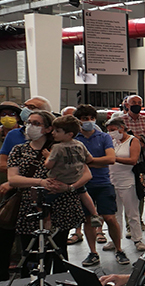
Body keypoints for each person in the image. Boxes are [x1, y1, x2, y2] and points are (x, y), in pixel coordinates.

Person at [7, 110, 89, 264]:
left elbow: (86, 174)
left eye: (36, 123)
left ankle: (59, 283)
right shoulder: (19, 150)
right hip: (30, 207)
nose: (30, 126)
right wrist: (40, 182)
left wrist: (69, 187)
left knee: (60, 253)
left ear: (49, 128)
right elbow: (13, 179)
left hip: (62, 205)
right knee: (31, 254)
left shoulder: (64, 147)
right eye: (28, 122)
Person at [74, 105, 128, 267]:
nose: (88, 122)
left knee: (110, 218)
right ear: (78, 121)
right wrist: (97, 161)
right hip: (83, 185)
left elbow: (110, 159)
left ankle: (119, 249)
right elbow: (74, 163)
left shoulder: (103, 137)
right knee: (88, 219)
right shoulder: (74, 139)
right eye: (85, 119)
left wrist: (88, 161)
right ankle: (92, 253)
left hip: (104, 183)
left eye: (91, 118)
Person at [104, 116, 145, 254]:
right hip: (112, 180)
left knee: (132, 213)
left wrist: (113, 158)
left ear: (122, 128)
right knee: (115, 214)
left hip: (128, 181)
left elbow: (133, 160)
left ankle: (137, 238)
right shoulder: (112, 142)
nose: (111, 133)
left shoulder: (133, 141)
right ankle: (115, 240)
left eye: (113, 130)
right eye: (108, 130)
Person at [0, 96, 52, 170]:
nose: (25, 109)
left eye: (31, 107)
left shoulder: (57, 137)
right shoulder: (14, 136)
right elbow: (2, 163)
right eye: (25, 106)